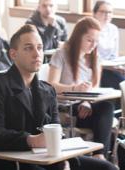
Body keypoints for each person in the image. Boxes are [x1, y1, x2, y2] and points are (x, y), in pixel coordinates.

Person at [0, 24, 116, 170]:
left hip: (46, 158)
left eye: (40, 48)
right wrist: (31, 140)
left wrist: (64, 161)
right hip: (9, 161)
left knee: (107, 168)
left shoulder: (47, 90)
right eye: (28, 48)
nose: (37, 54)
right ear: (13, 54)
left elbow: (56, 131)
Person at [48, 17, 114, 160]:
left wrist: (87, 102)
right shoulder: (61, 54)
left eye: (96, 41)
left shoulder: (95, 59)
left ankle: (98, 155)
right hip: (68, 108)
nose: (93, 45)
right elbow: (51, 85)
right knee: (105, 121)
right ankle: (100, 157)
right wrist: (74, 88)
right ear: (78, 37)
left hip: (85, 107)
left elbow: (94, 87)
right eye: (89, 40)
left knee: (107, 108)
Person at [92, 0, 125, 89]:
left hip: (110, 66)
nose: (107, 15)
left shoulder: (113, 29)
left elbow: (114, 55)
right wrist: (112, 68)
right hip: (96, 69)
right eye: (103, 12)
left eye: (110, 12)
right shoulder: (91, 29)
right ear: (95, 13)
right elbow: (90, 59)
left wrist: (117, 66)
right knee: (124, 83)